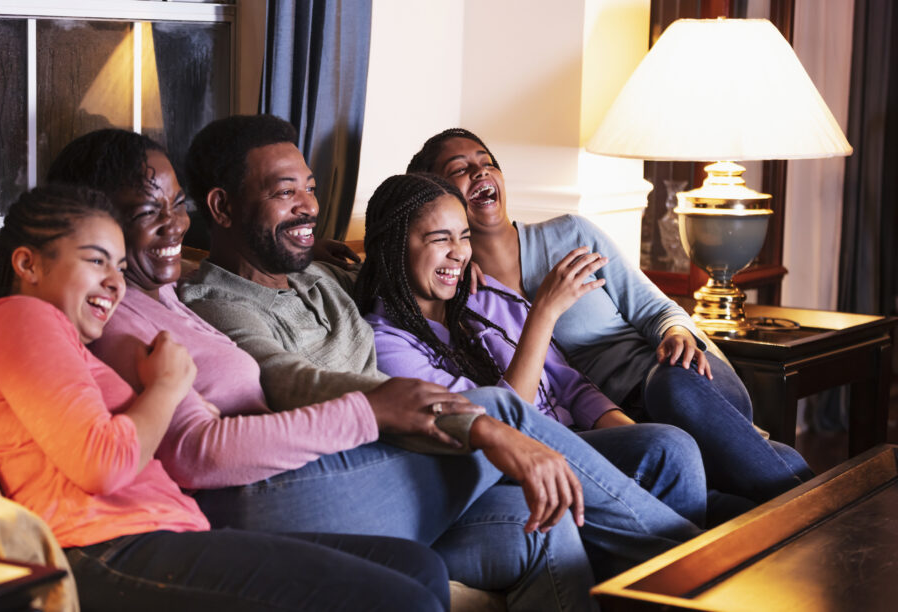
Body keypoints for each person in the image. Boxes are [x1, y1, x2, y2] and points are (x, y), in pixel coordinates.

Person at [173, 114, 708, 592]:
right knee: (495, 408)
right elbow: (292, 379)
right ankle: (703, 574)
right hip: (346, 475)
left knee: (564, 510)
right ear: (221, 206)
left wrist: (446, 258)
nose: (309, 205)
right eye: (285, 191)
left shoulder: (313, 274)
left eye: (310, 188)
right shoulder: (221, 304)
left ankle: (704, 561)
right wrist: (463, 420)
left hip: (408, 456)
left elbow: (385, 257)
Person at [0, 183, 454, 612]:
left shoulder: (62, 340)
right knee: (402, 599)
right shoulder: (19, 317)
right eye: (96, 261)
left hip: (170, 532)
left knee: (418, 567)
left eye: (120, 266)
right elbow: (101, 464)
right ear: (28, 264)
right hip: (105, 548)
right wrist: (169, 386)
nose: (114, 282)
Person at [407, 128, 814, 504]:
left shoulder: (571, 235)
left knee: (672, 389)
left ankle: (813, 515)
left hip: (677, 381)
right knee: (782, 467)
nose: (481, 172)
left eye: (487, 161)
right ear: (435, 197)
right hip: (616, 421)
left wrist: (676, 333)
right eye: (460, 169)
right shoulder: (459, 291)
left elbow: (658, 309)